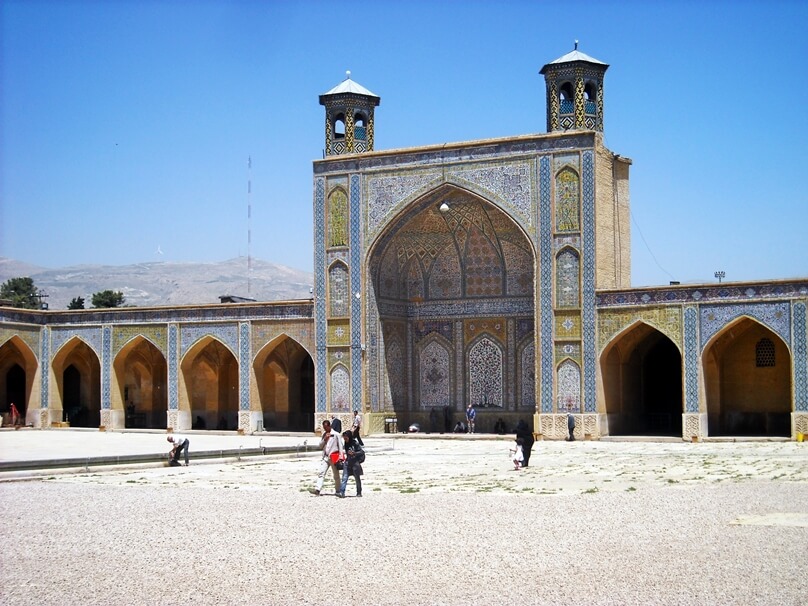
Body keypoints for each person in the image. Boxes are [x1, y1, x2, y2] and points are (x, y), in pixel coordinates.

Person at [313, 419, 343, 496]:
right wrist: (325, 439)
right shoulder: (324, 435)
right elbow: (320, 446)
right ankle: (318, 489)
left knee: (336, 475)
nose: (325, 429)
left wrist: (341, 457)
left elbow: (340, 447)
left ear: (329, 426)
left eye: (326, 427)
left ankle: (338, 490)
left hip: (333, 457)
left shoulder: (336, 434)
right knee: (321, 473)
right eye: (324, 428)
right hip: (326, 457)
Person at [338, 430, 365, 498]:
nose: (345, 439)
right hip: (348, 463)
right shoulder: (346, 443)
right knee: (344, 477)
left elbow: (361, 452)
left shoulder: (355, 443)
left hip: (355, 463)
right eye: (344, 438)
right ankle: (342, 492)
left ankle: (359, 492)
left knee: (357, 478)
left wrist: (354, 453)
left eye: (346, 438)